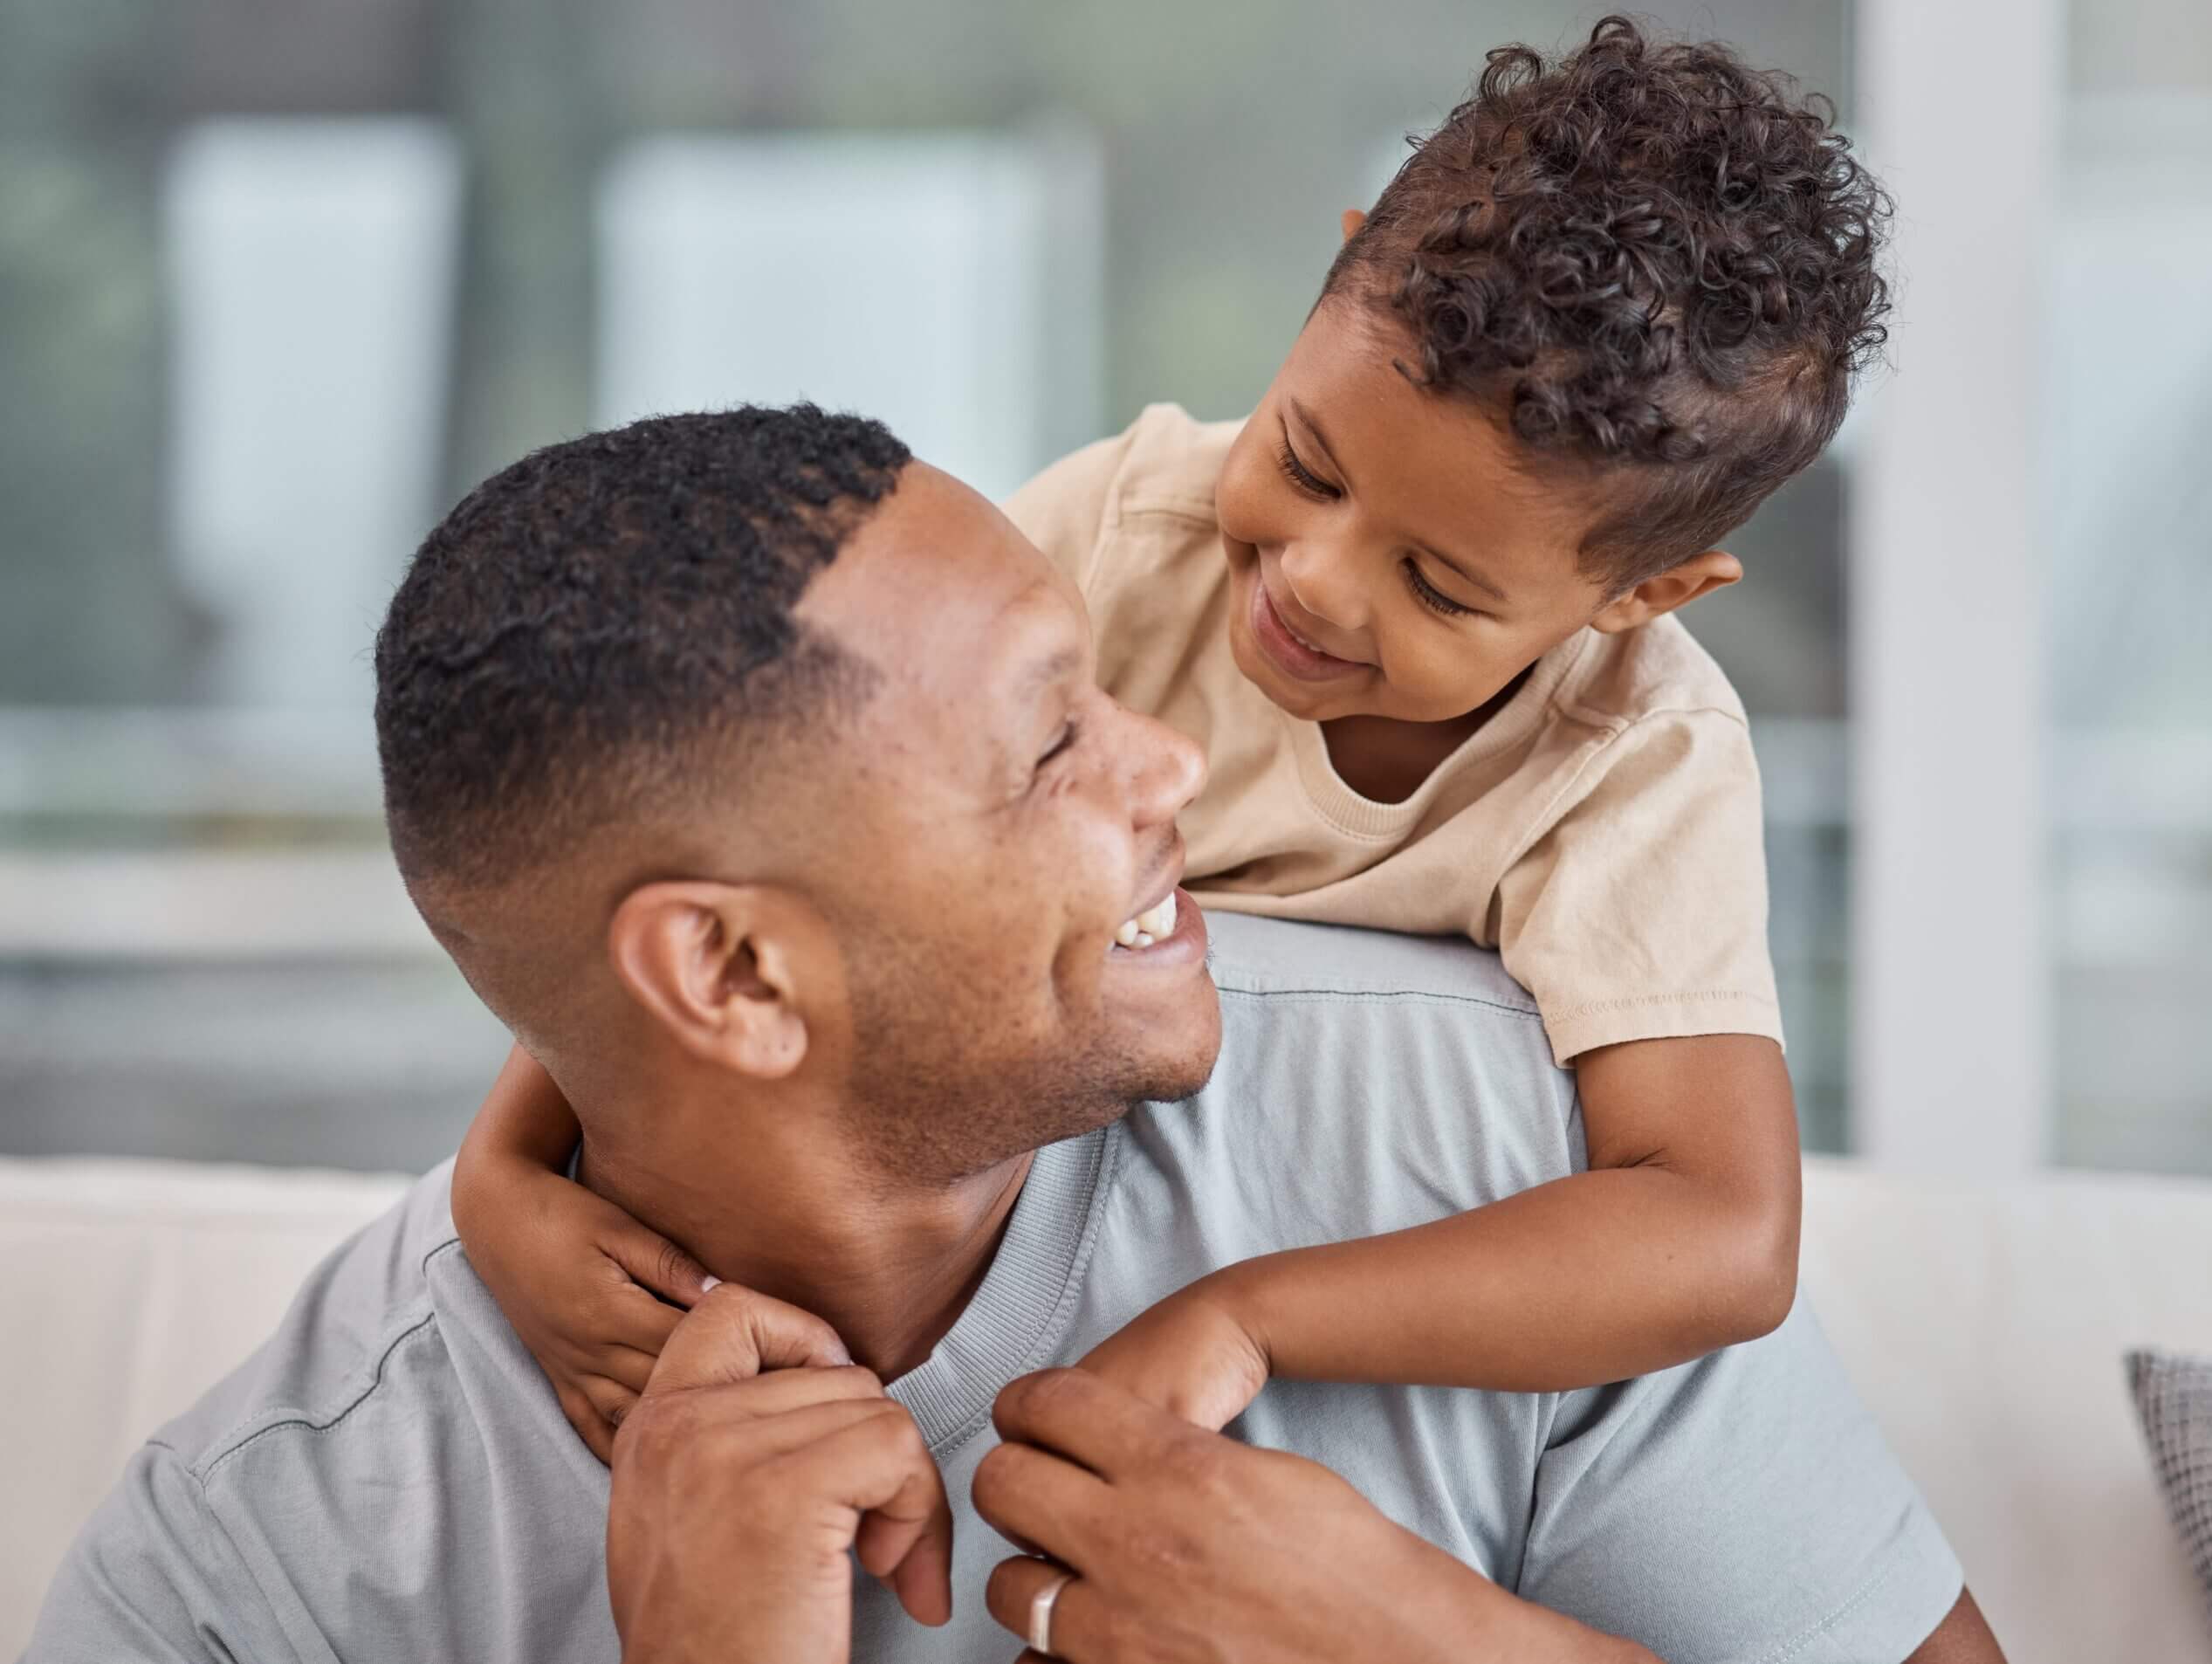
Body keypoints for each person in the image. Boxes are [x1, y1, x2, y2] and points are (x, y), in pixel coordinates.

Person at [28, 405, 1999, 1661]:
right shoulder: (263, 1560)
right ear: (727, 979)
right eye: (1054, 735)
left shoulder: (1481, 1138)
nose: (1177, 770)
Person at [450, 15, 1882, 1450]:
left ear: (1641, 595)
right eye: (1306, 461)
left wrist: (1251, 1313)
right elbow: (770, 846)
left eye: (1439, 582)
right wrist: (503, 1178)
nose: (1313, 581)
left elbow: (1723, 1230)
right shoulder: (1123, 538)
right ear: (1329, 277)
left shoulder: (1638, 757)